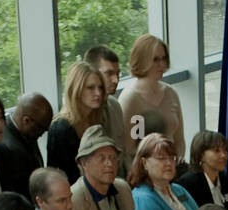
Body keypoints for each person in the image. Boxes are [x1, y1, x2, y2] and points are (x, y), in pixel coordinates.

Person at [119, 34, 186, 164]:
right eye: (155, 59)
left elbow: (179, 139)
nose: (162, 64)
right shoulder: (130, 98)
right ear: (142, 60)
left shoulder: (171, 93)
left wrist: (175, 162)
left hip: (173, 168)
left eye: (164, 58)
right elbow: (129, 149)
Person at [47, 62, 107, 187]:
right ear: (75, 89)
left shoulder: (96, 120)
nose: (98, 93)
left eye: (100, 87)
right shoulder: (61, 128)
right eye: (90, 88)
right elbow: (60, 177)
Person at [84, 45, 129, 178]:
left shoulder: (115, 105)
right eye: (109, 73)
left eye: (117, 73)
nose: (116, 80)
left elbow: (124, 151)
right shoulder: (82, 113)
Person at [0, 94, 53, 198]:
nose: (43, 133)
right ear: (26, 120)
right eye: (42, 128)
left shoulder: (27, 132)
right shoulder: (10, 149)